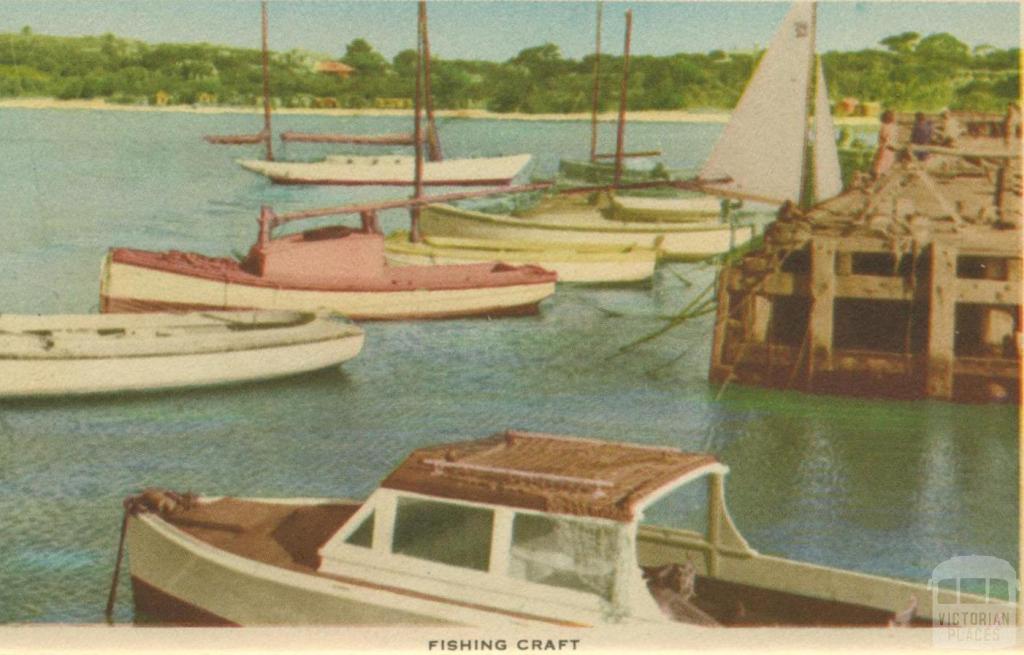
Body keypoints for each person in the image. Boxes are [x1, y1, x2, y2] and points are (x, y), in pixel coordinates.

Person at [871, 110, 898, 179]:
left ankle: (874, 181)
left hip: (885, 148)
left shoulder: (883, 127)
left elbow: (884, 138)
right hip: (891, 148)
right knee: (886, 166)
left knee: (879, 166)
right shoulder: (894, 127)